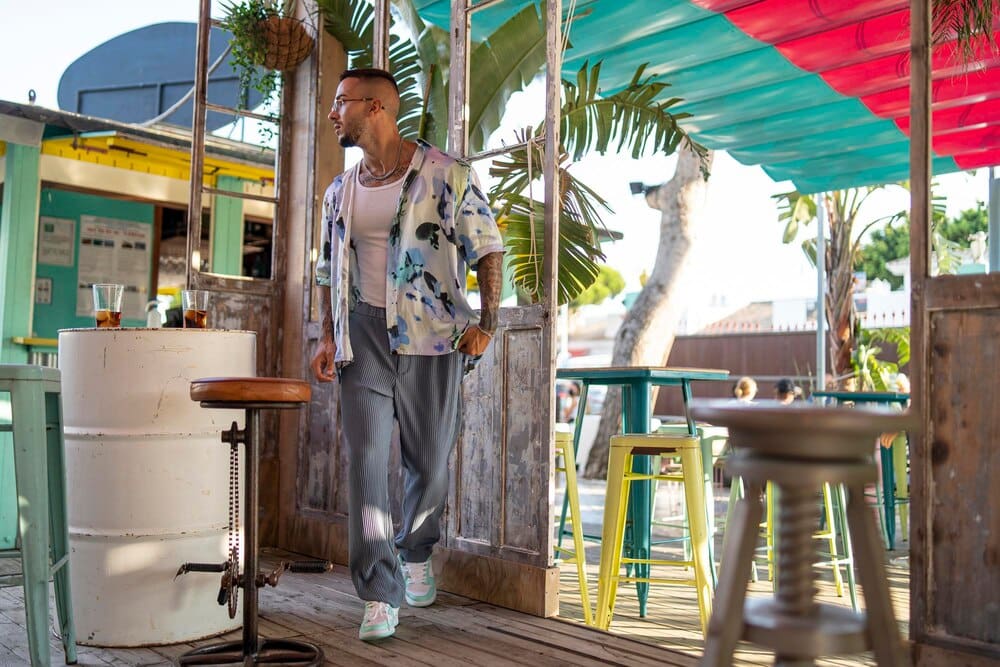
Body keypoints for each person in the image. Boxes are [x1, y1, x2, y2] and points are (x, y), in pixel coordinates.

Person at [310, 68, 505, 641]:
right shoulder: (338, 192)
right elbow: (329, 269)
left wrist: (488, 324)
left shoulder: (445, 175)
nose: (332, 114)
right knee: (367, 462)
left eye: (340, 103)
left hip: (432, 336)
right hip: (362, 335)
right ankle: (377, 591)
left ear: (375, 108)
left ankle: (416, 552)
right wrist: (327, 334)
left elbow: (488, 247)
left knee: (428, 460)